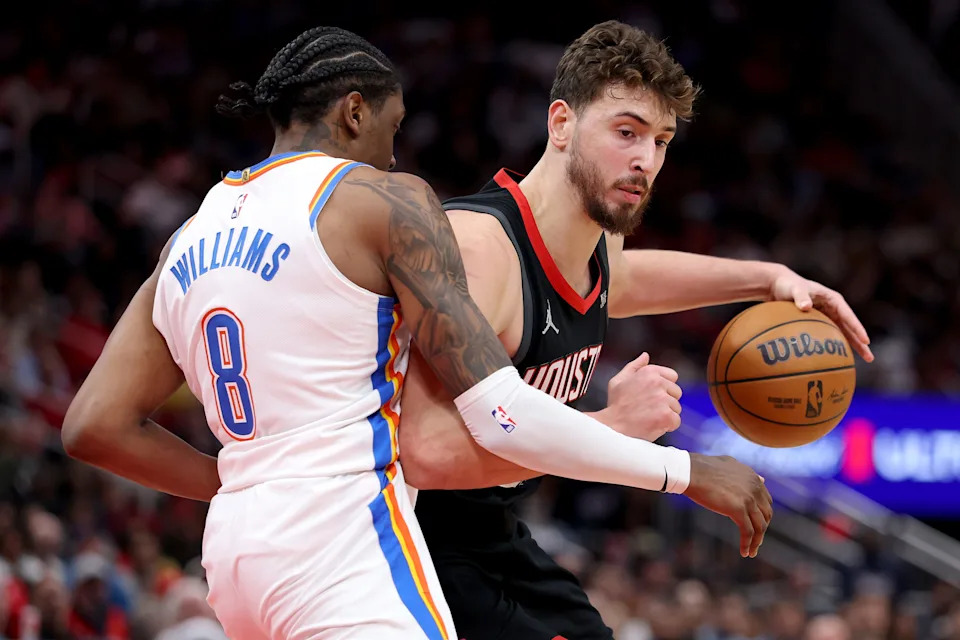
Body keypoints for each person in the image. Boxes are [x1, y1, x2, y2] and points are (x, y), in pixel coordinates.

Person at [60, 26, 772, 640]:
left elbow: (94, 425)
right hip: (344, 543)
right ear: (354, 111)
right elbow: (499, 412)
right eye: (392, 131)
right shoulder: (383, 200)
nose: (395, 157)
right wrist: (682, 470)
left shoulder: (190, 235)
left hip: (237, 556)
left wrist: (235, 486)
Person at [399, 20, 874, 640]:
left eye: (662, 141)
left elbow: (623, 280)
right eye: (626, 132)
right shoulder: (481, 248)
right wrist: (618, 434)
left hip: (491, 536)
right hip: (404, 539)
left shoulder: (594, 241)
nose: (645, 160)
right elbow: (425, 455)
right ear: (561, 123)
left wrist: (769, 279)